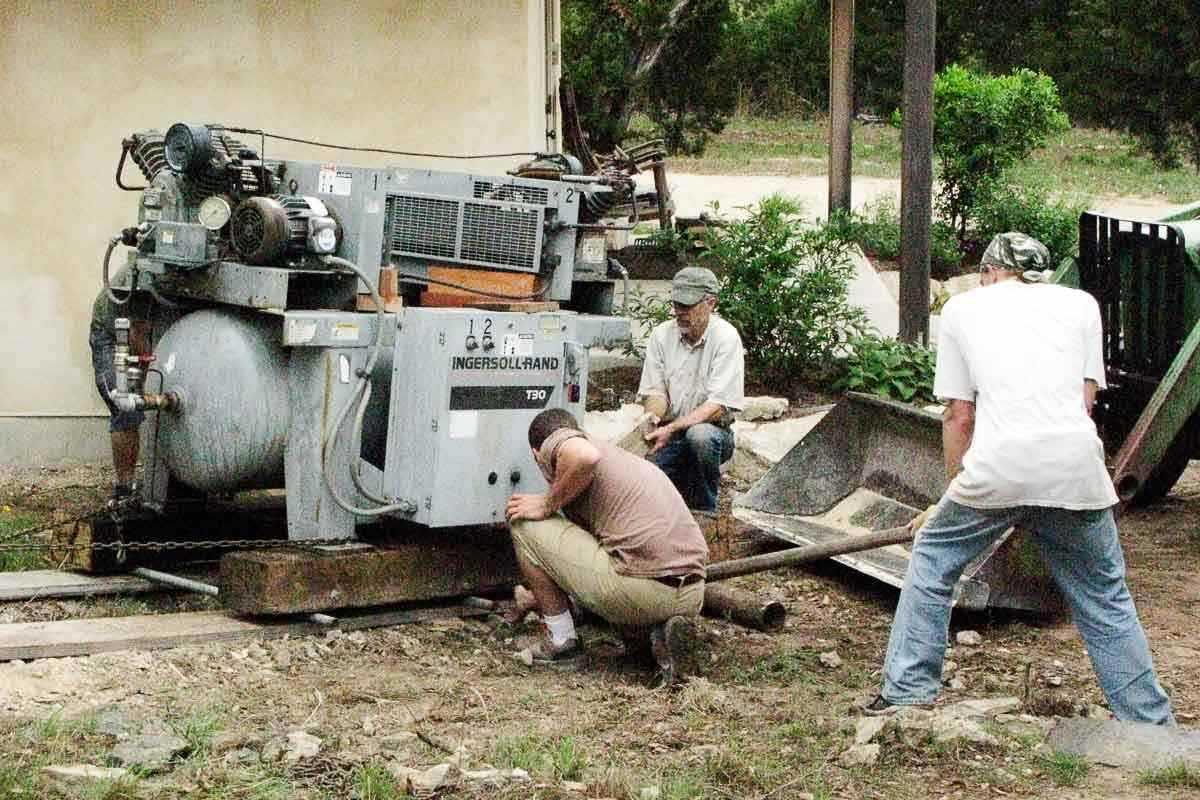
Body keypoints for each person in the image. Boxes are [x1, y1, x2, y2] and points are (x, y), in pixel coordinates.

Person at [864, 232, 1174, 725]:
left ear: (989, 272)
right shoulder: (1081, 306)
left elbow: (958, 417)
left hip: (998, 470)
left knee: (932, 562)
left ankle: (907, 692)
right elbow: (1086, 404)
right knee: (1104, 597)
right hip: (1075, 469)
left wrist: (951, 494)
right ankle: (1149, 723)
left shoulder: (966, 309)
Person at [506, 408, 708, 683]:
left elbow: (584, 457)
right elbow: (581, 558)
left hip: (644, 589)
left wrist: (545, 504)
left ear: (536, 454)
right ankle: (654, 634)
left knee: (524, 523)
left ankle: (562, 642)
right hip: (692, 593)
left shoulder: (561, 443)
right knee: (611, 558)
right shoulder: (622, 460)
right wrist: (537, 597)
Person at [637, 266, 745, 512]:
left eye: (687, 306)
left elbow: (717, 407)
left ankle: (706, 512)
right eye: (677, 305)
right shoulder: (661, 335)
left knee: (700, 437)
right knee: (643, 476)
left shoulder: (726, 338)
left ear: (711, 303)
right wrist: (651, 419)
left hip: (713, 433)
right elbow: (656, 392)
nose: (680, 313)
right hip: (672, 433)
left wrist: (674, 427)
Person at [89, 269, 149, 501]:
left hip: (133, 332)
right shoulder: (144, 275)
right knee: (124, 405)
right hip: (110, 336)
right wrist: (142, 381)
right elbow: (137, 336)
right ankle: (124, 488)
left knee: (131, 408)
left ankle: (133, 483)